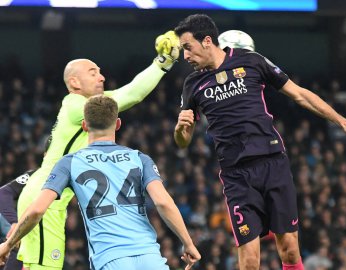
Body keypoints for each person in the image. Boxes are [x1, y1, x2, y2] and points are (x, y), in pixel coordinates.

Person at [173, 14, 346, 270]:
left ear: (208, 41)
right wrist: (181, 129)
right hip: (236, 175)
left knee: (289, 251)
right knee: (249, 261)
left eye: (188, 48)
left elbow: (299, 94)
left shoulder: (251, 61)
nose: (185, 56)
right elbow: (182, 142)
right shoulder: (192, 83)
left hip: (273, 163)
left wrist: (343, 121)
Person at [13, 30, 180, 270]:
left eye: (101, 72)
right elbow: (128, 97)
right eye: (93, 73)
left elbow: (133, 91)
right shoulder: (74, 104)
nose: (102, 77)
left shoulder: (87, 105)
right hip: (44, 199)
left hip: (48, 197)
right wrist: (162, 63)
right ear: (74, 83)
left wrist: (163, 63)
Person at [0, 95, 201, 270]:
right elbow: (163, 203)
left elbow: (36, 210)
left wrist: (8, 245)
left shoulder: (69, 162)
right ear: (118, 124)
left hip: (109, 258)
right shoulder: (140, 158)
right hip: (150, 257)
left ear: (85, 126)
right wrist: (188, 243)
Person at [0, 136, 51, 270]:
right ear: (45, 155)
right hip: (26, 244)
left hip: (53, 245)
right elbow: (4, 193)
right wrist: (14, 223)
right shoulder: (35, 175)